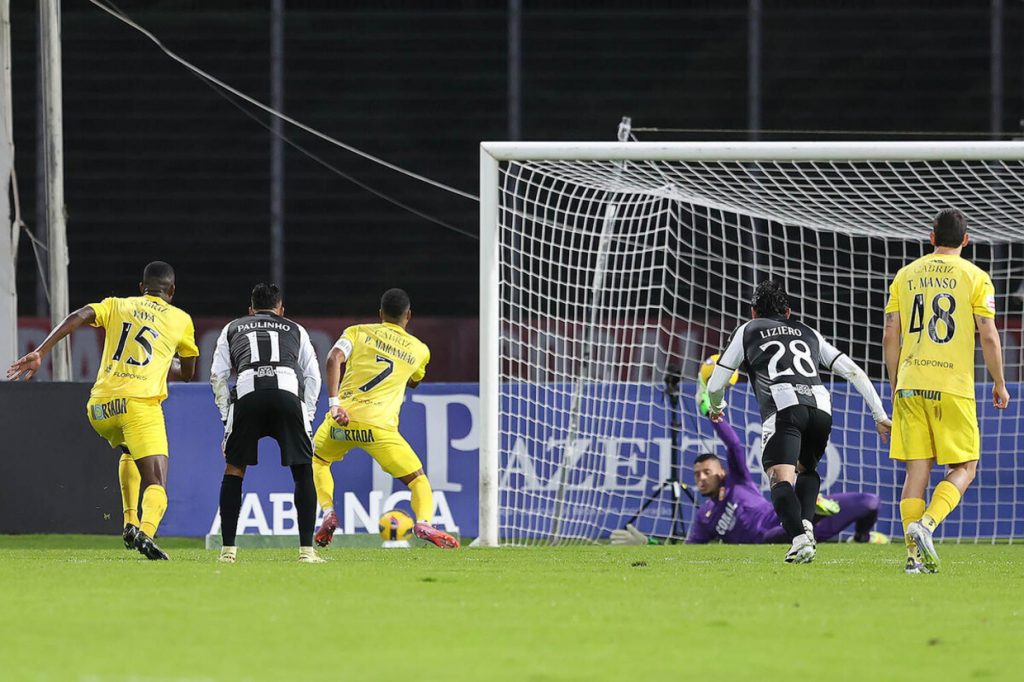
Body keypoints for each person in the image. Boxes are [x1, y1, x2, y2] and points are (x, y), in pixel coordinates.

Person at [7, 261, 198, 560]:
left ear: (141, 288)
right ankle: (146, 532)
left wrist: (41, 351)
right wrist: (167, 359)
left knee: (129, 450)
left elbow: (79, 315)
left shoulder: (117, 305)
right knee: (156, 483)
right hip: (138, 406)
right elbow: (187, 372)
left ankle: (129, 522)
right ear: (172, 290)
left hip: (99, 408)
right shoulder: (181, 319)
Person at [705, 280, 891, 564]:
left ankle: (800, 539)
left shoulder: (748, 330)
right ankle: (805, 526)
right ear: (788, 312)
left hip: (784, 407)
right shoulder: (808, 332)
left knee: (779, 477)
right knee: (806, 469)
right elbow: (853, 371)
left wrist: (717, 407)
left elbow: (716, 383)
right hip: (821, 407)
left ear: (753, 311)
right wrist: (880, 415)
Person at [883, 208, 1010, 574]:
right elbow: (988, 334)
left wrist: (895, 383)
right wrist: (999, 382)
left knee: (916, 472)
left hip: (910, 383)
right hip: (952, 385)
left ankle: (913, 558)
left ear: (931, 237)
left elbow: (890, 333)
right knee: (965, 467)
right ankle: (927, 524)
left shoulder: (905, 275)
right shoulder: (975, 276)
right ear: (966, 240)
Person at [612, 383, 888, 546]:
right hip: (769, 539)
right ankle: (811, 514)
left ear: (722, 472)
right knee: (772, 537)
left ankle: (860, 537)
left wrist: (711, 411)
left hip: (785, 518)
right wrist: (649, 543)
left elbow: (734, 445)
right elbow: (687, 551)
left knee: (870, 503)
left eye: (707, 472)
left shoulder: (738, 481)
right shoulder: (704, 517)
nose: (701, 479)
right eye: (697, 475)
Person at [311, 288, 459, 549]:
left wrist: (334, 405)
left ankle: (328, 512)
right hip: (379, 429)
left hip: (341, 421)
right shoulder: (420, 350)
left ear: (380, 313)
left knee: (319, 461)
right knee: (418, 481)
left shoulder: (356, 332)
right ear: (408, 315)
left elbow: (334, 358)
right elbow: (415, 380)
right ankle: (424, 522)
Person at [210, 283, 323, 564]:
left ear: (250, 310)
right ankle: (306, 552)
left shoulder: (232, 327)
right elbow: (313, 376)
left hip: (248, 395)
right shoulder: (296, 329)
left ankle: (228, 551)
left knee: (234, 469)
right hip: (287, 395)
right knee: (303, 470)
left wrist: (226, 417)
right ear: (281, 310)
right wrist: (307, 415)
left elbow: (217, 375)